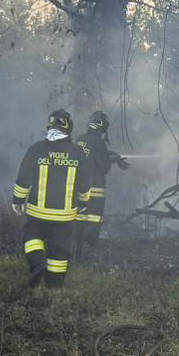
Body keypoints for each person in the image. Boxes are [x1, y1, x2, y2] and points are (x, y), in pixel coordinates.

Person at [11, 109, 92, 288]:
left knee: (32, 237)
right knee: (59, 249)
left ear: (49, 125)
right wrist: (84, 203)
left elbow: (24, 178)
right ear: (69, 128)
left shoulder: (36, 149)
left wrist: (18, 200)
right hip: (64, 216)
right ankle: (54, 286)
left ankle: (38, 264)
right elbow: (85, 183)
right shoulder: (77, 152)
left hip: (37, 212)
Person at [73, 110, 128, 260]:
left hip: (78, 188)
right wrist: (113, 159)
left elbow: (91, 155)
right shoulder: (99, 142)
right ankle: (89, 251)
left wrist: (110, 155)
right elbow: (104, 167)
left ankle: (76, 252)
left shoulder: (80, 139)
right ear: (102, 127)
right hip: (95, 189)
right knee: (93, 220)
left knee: (79, 220)